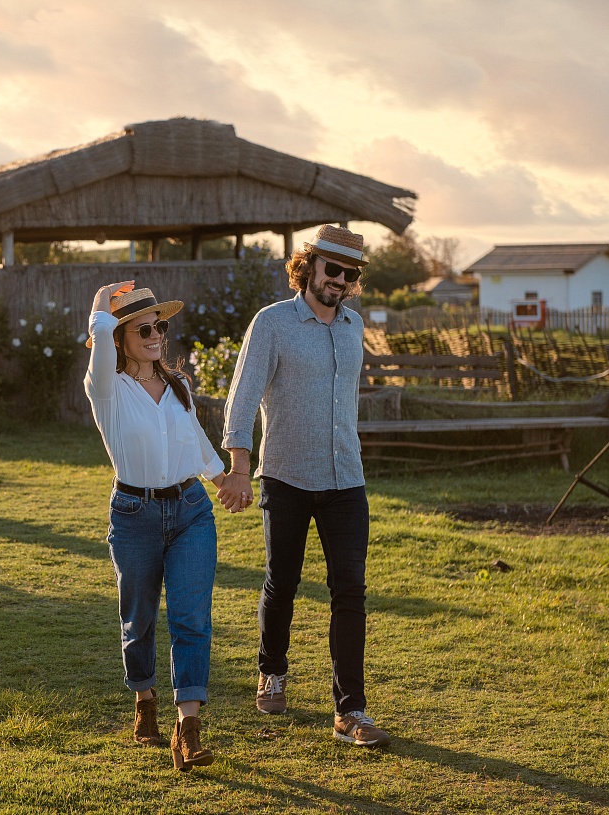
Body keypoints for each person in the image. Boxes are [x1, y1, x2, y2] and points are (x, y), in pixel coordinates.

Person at [218, 224, 391, 748]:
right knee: (283, 581)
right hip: (286, 476)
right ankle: (272, 670)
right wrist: (240, 466)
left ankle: (350, 710)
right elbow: (243, 397)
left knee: (351, 590)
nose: (340, 280)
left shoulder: (354, 326)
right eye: (332, 268)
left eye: (350, 274)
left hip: (345, 478)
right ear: (308, 266)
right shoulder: (273, 322)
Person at [85, 281, 231, 771]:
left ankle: (188, 729)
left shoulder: (178, 386)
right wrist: (101, 303)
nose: (156, 336)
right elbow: (99, 341)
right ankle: (144, 698)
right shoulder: (105, 389)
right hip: (134, 515)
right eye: (143, 330)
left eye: (159, 327)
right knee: (139, 618)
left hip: (191, 510)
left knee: (191, 618)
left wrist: (223, 479)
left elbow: (196, 438)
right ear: (120, 338)